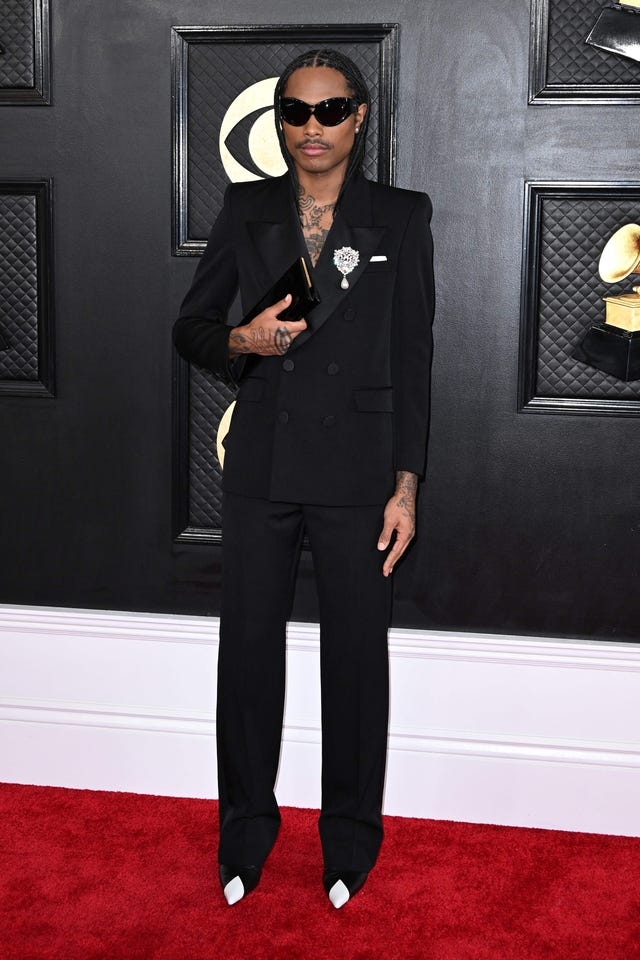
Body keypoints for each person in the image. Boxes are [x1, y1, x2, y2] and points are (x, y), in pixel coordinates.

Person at [173, 48, 434, 909]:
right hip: (263, 466)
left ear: (359, 116)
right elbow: (192, 327)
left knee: (355, 661)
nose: (311, 128)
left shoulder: (400, 215)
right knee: (247, 656)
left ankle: (350, 841)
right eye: (295, 111)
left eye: (329, 110)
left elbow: (414, 357)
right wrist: (242, 340)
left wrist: (406, 487)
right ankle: (244, 833)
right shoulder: (246, 208)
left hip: (360, 474)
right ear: (278, 120)